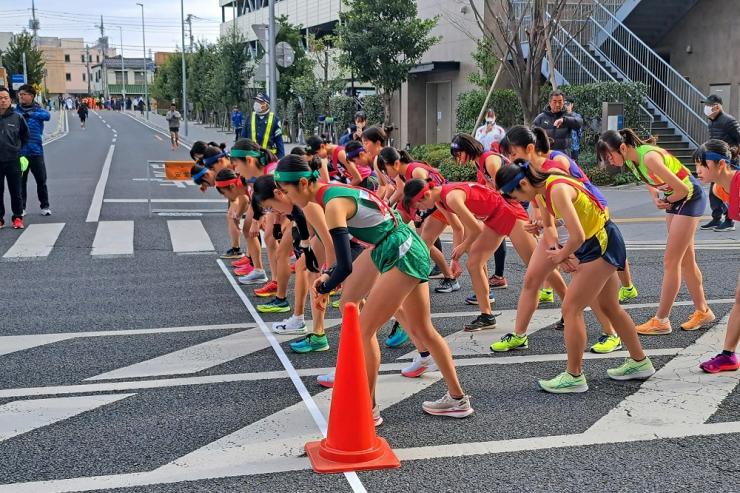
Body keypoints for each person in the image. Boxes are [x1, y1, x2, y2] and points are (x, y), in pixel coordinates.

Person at [274, 156, 473, 420]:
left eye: (286, 192)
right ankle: (456, 399)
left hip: (399, 249)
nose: (284, 201)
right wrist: (327, 282)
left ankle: (368, 409)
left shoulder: (332, 205)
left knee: (363, 330)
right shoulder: (330, 192)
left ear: (301, 183)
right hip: (392, 244)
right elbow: (342, 268)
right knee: (362, 307)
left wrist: (325, 286)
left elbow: (344, 266)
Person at [495, 161, 655, 393]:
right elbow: (555, 225)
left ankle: (574, 376)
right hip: (599, 240)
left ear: (523, 182)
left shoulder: (555, 189)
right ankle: (640, 362)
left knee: (571, 308)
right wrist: (559, 248)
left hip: (600, 243)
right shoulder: (542, 188)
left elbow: (577, 235)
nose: (519, 201)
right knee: (610, 306)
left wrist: (563, 254)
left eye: (516, 195)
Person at [597, 129, 715, 335]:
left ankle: (661, 320)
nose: (609, 161)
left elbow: (684, 190)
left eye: (609, 156)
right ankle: (702, 310)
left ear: (622, 148)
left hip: (688, 197)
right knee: (686, 258)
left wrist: (666, 201)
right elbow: (648, 179)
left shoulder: (649, 156)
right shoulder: (632, 160)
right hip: (676, 198)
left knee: (672, 261)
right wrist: (657, 198)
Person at [694, 139, 740, 373]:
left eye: (703, 165)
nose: (698, 170)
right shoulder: (720, 188)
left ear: (721, 164)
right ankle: (728, 355)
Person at [700, 94, 740, 232]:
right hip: (715, 160)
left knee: (728, 192)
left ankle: (729, 221)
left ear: (717, 106)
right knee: (714, 191)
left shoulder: (729, 121)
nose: (706, 108)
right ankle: (716, 218)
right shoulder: (711, 121)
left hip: (729, 162)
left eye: (708, 105)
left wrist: (734, 151)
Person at [15, 85, 51, 216]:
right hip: (21, 153)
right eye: (20, 94)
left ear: (31, 96)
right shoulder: (16, 112)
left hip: (36, 152)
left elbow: (47, 116)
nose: (21, 96)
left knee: (41, 180)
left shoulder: (38, 110)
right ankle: (22, 208)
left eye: (24, 94)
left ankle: (45, 206)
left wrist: (30, 114)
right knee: (21, 182)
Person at [0, 86, 29, 229]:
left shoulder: (17, 117)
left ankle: (17, 217)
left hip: (13, 160)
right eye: (0, 98)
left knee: (16, 191)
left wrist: (16, 150)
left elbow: (25, 136)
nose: (3, 101)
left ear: (10, 99)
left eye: (5, 98)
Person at [532, 90, 583, 157]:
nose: (557, 104)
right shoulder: (541, 118)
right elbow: (532, 134)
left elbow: (579, 122)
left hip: (564, 157)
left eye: (560, 101)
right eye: (555, 102)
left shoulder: (569, 116)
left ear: (563, 102)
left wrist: (564, 120)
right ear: (549, 102)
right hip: (546, 157)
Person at [241, 93, 285, 158]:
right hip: (252, 157)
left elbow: (279, 141)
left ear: (266, 105)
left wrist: (281, 159)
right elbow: (243, 138)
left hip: (268, 157)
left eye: (260, 102)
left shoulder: (275, 120)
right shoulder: (249, 118)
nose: (256, 103)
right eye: (256, 101)